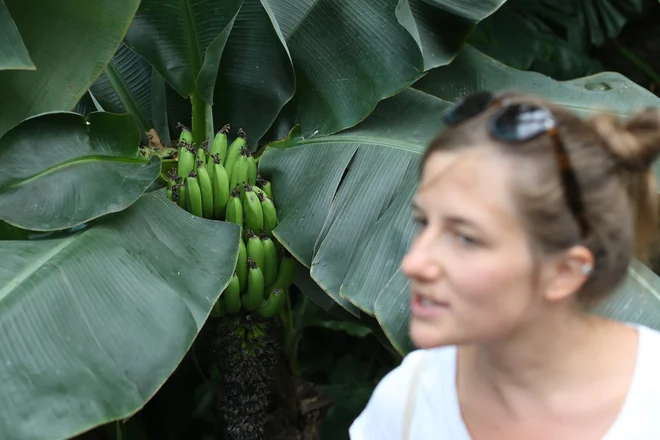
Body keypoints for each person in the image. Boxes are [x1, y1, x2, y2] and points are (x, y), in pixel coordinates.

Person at [348, 90, 660, 440]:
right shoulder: (407, 403)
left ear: (564, 272)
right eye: (423, 222)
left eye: (466, 238)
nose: (414, 262)